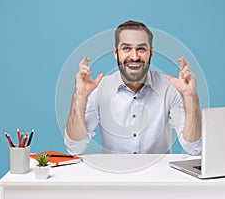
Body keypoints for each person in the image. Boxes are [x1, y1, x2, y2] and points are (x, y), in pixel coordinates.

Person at [65, 20, 202, 155]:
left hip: (159, 176)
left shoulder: (169, 88)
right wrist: (80, 95)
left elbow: (193, 148)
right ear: (115, 53)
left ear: (151, 53)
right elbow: (75, 147)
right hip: (114, 175)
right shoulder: (99, 89)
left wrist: (190, 95)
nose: (135, 56)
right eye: (126, 48)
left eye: (141, 49)